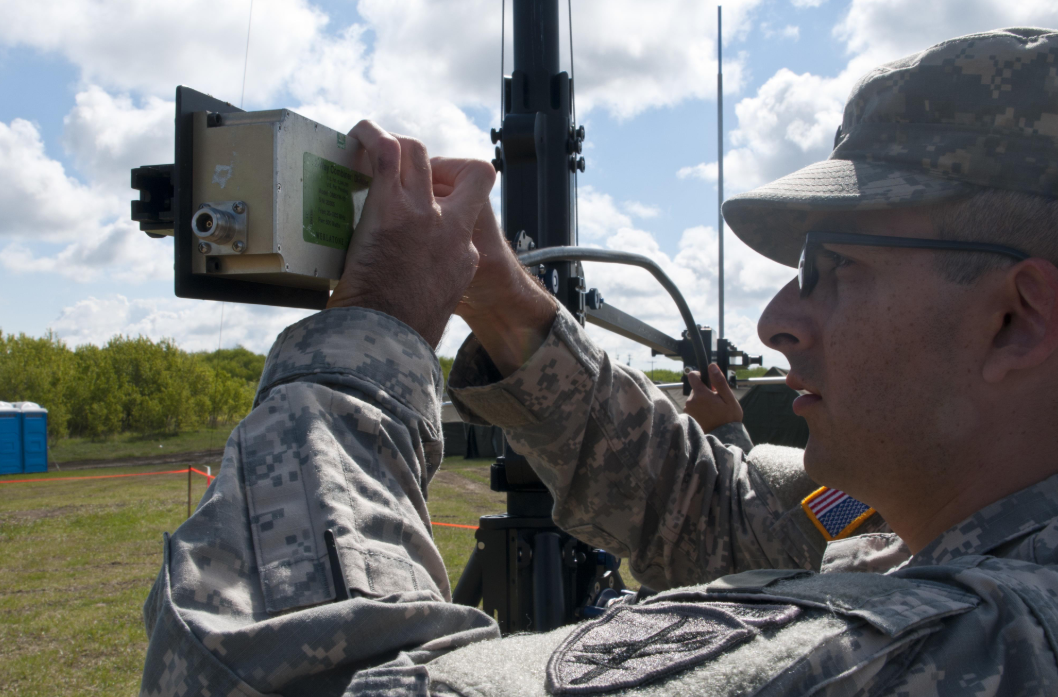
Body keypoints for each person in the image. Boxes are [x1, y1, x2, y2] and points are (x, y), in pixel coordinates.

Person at [140, 27, 1058, 696]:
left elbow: (261, 670)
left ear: (1016, 318)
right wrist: (507, 307)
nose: (781, 319)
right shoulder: (938, 532)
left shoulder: (947, 649)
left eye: (833, 269)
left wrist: (372, 329)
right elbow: (715, 514)